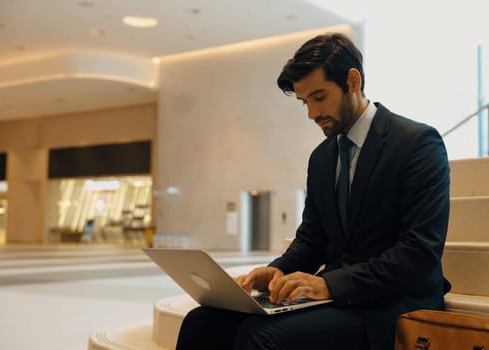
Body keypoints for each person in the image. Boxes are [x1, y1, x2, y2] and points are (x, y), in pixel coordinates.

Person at [176, 32, 451, 350]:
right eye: (305, 102)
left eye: (319, 97)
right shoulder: (322, 158)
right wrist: (275, 269)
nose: (311, 113)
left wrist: (329, 284)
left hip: (394, 303)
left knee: (260, 337)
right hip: (339, 299)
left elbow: (419, 254)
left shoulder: (417, 144)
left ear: (352, 81)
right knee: (203, 321)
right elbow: (312, 241)